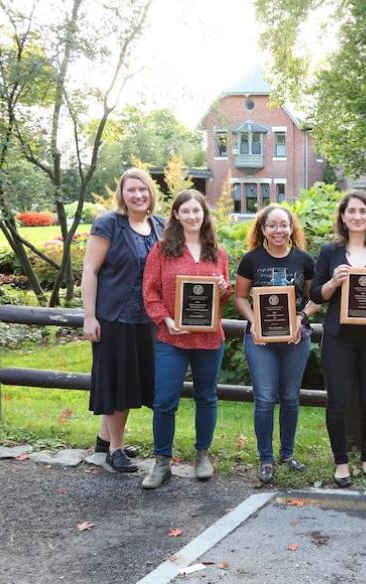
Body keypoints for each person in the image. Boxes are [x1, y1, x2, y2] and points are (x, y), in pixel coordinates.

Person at [310, 190, 366, 487]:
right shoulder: (329, 252)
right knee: (337, 400)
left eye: (363, 211)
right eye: (352, 211)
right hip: (339, 338)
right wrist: (334, 281)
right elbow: (315, 295)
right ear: (343, 216)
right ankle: (340, 462)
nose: (358, 216)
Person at [140, 190, 230, 489]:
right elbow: (150, 290)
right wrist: (164, 318)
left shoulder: (217, 253)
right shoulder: (162, 250)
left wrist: (223, 286)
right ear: (176, 215)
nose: (193, 216)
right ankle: (161, 462)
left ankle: (202, 456)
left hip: (208, 340)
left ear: (204, 215)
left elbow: (224, 297)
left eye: (197, 211)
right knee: (164, 401)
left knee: (206, 397)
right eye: (186, 211)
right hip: (172, 338)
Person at [81, 168, 164, 473]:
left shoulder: (159, 225)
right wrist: (89, 317)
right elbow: (89, 271)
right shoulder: (108, 224)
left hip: (146, 320)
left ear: (150, 192)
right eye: (131, 190)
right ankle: (116, 450)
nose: (138, 195)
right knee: (119, 383)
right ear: (122, 194)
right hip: (114, 317)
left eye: (143, 189)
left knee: (131, 381)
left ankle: (105, 442)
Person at [234, 204, 319, 484]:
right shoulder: (251, 260)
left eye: (283, 225)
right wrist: (254, 322)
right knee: (265, 399)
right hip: (259, 338)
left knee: (291, 397)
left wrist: (300, 317)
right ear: (262, 229)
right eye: (272, 225)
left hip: (296, 337)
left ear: (291, 228)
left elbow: (315, 297)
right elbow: (240, 299)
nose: (278, 230)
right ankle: (266, 458)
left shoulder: (304, 259)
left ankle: (287, 453)